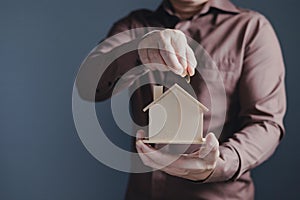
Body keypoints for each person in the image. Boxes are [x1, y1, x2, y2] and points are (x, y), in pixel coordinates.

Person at [77, 0, 286, 199]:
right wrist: (139, 50)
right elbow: (87, 84)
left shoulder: (251, 29)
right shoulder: (134, 26)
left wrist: (221, 162)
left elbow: (266, 122)